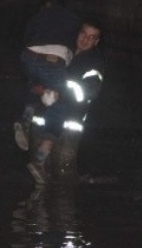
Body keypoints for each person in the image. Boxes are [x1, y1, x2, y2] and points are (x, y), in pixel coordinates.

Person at [24, 18, 104, 185]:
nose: (85, 39)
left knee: (63, 173)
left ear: (96, 41)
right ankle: (37, 209)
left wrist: (58, 94)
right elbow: (35, 74)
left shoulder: (94, 63)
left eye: (91, 37)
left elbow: (86, 93)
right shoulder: (60, 51)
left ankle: (62, 208)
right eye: (83, 33)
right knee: (37, 171)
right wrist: (37, 87)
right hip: (41, 120)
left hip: (69, 126)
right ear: (77, 32)